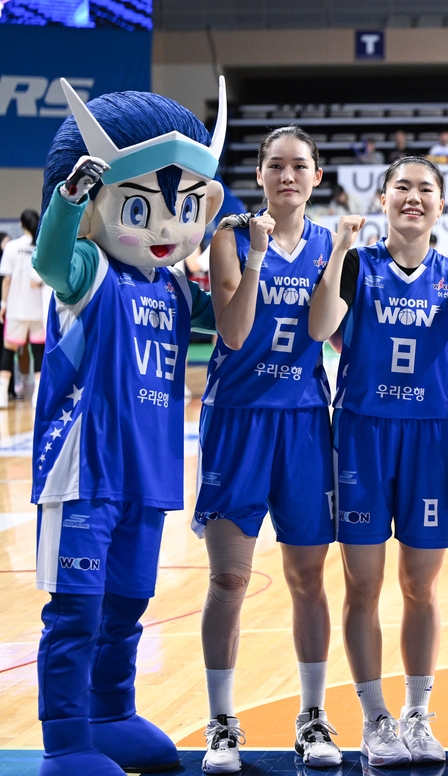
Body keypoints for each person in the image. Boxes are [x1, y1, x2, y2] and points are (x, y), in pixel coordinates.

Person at [33, 81, 226, 776]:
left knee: (126, 607)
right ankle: (65, 741)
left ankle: (109, 714)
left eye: (184, 208)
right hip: (83, 468)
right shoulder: (89, 270)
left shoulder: (174, 286)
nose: (164, 228)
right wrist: (68, 202)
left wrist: (246, 250)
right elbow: (50, 263)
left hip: (148, 470)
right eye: (142, 207)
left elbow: (232, 319)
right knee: (77, 612)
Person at [308, 156, 448, 768]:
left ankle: (416, 712)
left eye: (425, 189)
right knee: (364, 584)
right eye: (402, 187)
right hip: (361, 436)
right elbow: (321, 328)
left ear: (442, 204)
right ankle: (374, 716)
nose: (413, 197)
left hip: (430, 439)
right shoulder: (355, 267)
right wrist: (337, 254)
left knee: (421, 586)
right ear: (382, 199)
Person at [191, 126, 340, 773]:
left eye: (298, 166)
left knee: (307, 578)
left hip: (305, 424)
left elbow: (334, 336)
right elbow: (231, 329)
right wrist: (254, 257)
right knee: (228, 580)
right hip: (238, 423)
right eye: (275, 165)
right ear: (259, 174)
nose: (287, 175)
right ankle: (221, 722)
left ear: (315, 176)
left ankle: (312, 716)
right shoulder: (228, 237)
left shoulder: (332, 245)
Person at [0, 209, 45, 407]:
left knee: (8, 350)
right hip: (38, 309)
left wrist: (3, 304)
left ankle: (1, 394)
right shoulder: (42, 247)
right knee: (39, 351)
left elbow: (7, 279)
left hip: (16, 308)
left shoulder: (11, 247)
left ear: (21, 224)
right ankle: (37, 396)